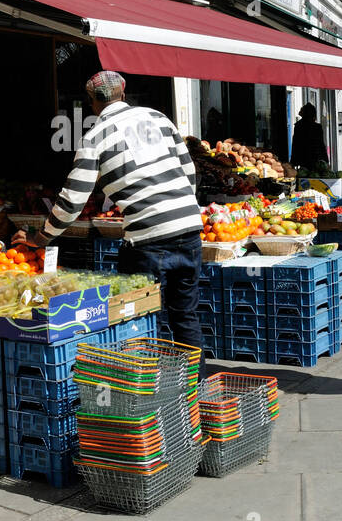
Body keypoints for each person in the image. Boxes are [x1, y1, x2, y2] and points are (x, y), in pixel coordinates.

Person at [15, 71, 204, 349]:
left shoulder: (95, 138)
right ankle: (191, 386)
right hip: (188, 228)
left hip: (149, 240)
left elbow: (72, 201)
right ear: (123, 92)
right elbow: (189, 173)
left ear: (91, 101)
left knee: (140, 316)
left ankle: (145, 386)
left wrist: (40, 238)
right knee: (185, 315)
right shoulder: (159, 119)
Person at [291, 103, 328, 170]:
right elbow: (321, 145)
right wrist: (326, 160)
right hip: (315, 158)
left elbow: (295, 144)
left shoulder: (299, 126)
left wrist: (293, 161)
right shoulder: (317, 127)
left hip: (303, 158)